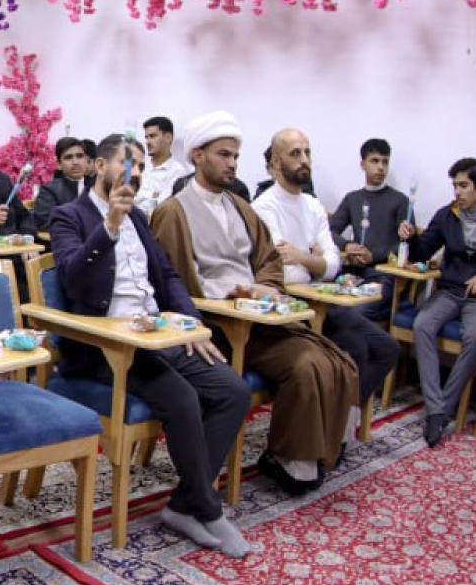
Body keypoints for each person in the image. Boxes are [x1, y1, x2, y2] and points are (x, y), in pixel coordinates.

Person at [50, 134, 253, 552]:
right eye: (127, 164)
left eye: (141, 166)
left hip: (159, 335)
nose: (136, 173)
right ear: (100, 166)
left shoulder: (141, 219)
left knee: (233, 391)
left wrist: (194, 326)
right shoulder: (69, 216)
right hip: (107, 346)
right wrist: (109, 227)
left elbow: (169, 275)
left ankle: (183, 505)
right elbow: (72, 278)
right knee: (182, 399)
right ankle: (209, 509)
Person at [151, 115, 360, 494]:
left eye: (236, 156)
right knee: (306, 365)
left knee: (338, 360)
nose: (232, 163)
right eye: (223, 154)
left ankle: (314, 453)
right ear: (198, 155)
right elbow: (173, 283)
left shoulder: (241, 207)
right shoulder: (173, 212)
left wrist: (263, 288)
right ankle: (291, 460)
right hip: (218, 326)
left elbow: (269, 261)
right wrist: (229, 297)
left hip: (260, 318)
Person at [254, 128, 397, 412]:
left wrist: (302, 257)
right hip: (292, 304)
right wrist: (314, 259)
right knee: (355, 348)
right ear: (276, 162)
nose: (304, 160)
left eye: (307, 152)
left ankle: (342, 418)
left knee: (388, 349)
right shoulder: (264, 207)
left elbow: (333, 265)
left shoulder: (313, 205)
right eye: (295, 153)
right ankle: (337, 424)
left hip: (321, 300)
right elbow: (285, 272)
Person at [395, 157, 476, 447]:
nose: (458, 192)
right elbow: (422, 252)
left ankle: (443, 408)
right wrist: (411, 237)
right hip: (449, 290)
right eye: (455, 186)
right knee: (422, 325)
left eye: (464, 186)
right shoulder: (447, 215)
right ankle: (435, 408)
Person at [328, 138, 409, 290]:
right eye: (374, 161)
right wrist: (347, 246)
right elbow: (329, 232)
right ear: (362, 164)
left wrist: (373, 255)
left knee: (361, 304)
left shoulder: (400, 200)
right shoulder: (352, 199)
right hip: (353, 271)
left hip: (384, 274)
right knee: (327, 296)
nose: (381, 167)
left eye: (385, 162)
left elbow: (406, 245)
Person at [31, 136, 94, 233]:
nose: (75, 162)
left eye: (80, 156)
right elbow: (45, 222)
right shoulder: (49, 190)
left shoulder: (98, 186)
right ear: (59, 164)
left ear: (86, 160)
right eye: (68, 157)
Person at [132, 116, 189, 217]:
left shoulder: (178, 172)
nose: (148, 142)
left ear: (168, 138)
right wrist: (153, 196)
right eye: (146, 137)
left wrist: (140, 199)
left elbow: (160, 208)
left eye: (153, 136)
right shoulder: (140, 166)